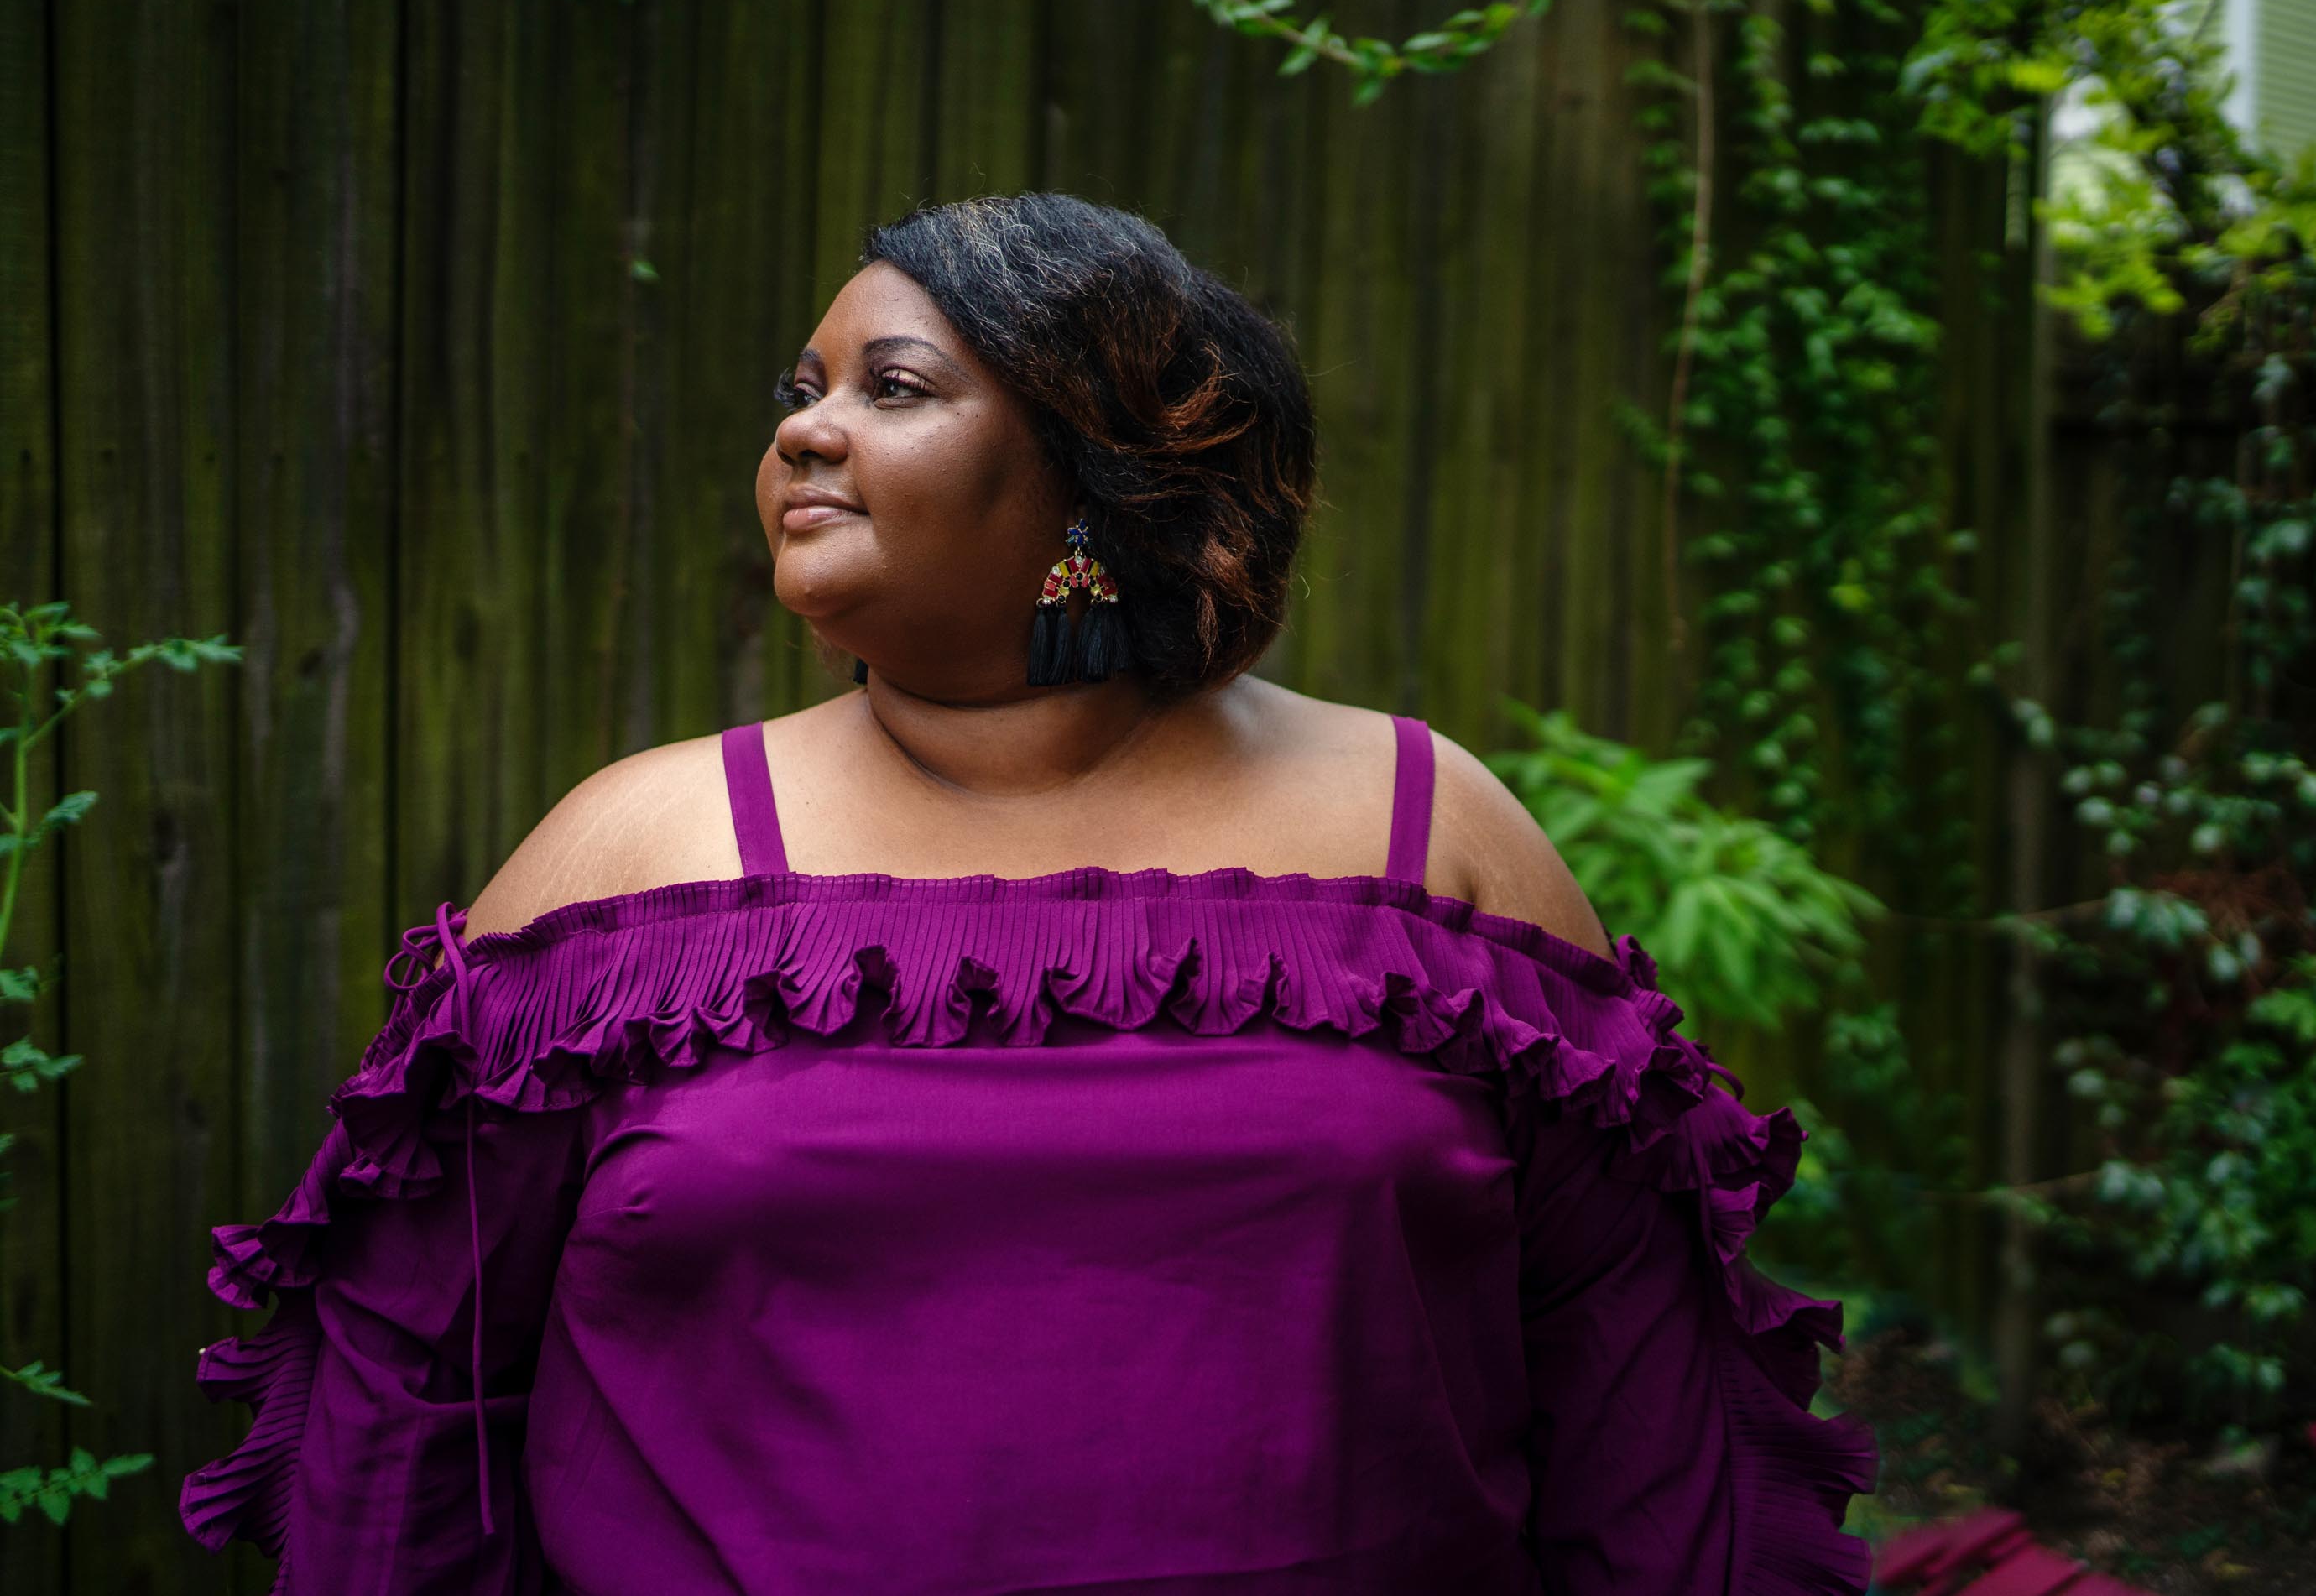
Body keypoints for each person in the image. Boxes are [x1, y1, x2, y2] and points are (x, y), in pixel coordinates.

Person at [179, 194, 1877, 1593]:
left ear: (1093, 480)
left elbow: (1638, 1406)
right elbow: (414, 1403)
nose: (803, 432)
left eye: (892, 388)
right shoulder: (635, 860)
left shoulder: (1428, 834)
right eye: (800, 389)